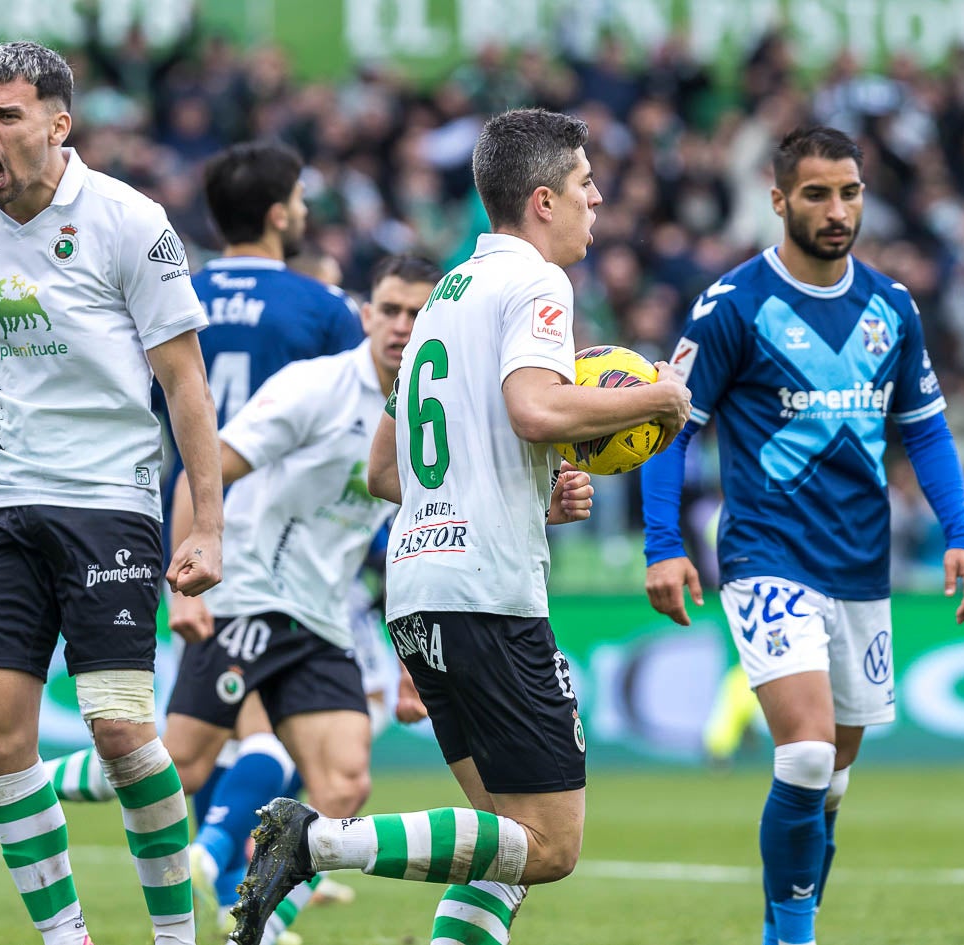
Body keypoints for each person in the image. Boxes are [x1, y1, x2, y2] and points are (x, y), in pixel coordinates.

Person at [228, 107, 693, 945]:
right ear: (544, 199)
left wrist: (523, 491)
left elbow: (382, 472)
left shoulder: (442, 297)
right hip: (487, 593)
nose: (598, 202)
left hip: (416, 588)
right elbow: (534, 406)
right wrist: (655, 398)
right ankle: (318, 839)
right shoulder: (536, 283)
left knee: (502, 843)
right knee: (549, 844)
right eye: (587, 186)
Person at [0, 40, 224, 945]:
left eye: (5, 116)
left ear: (58, 124)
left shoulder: (129, 220)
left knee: (116, 731)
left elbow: (185, 383)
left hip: (109, 500)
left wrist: (208, 527)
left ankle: (175, 938)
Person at [640, 126, 964, 945]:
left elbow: (926, 431)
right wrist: (662, 543)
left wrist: (960, 533)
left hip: (861, 565)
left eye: (849, 192)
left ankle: (783, 921)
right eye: (816, 194)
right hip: (767, 554)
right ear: (777, 200)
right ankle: (791, 939)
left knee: (830, 782)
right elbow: (671, 424)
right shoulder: (733, 306)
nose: (836, 210)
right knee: (800, 755)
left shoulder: (892, 308)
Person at [162, 253, 440, 943]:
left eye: (418, 313)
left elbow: (419, 534)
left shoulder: (427, 413)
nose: (402, 326)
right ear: (366, 314)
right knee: (178, 766)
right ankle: (25, 793)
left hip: (321, 612)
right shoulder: (315, 387)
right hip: (251, 593)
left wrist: (408, 659)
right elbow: (204, 469)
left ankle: (253, 926)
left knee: (343, 784)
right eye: (390, 310)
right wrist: (187, 577)